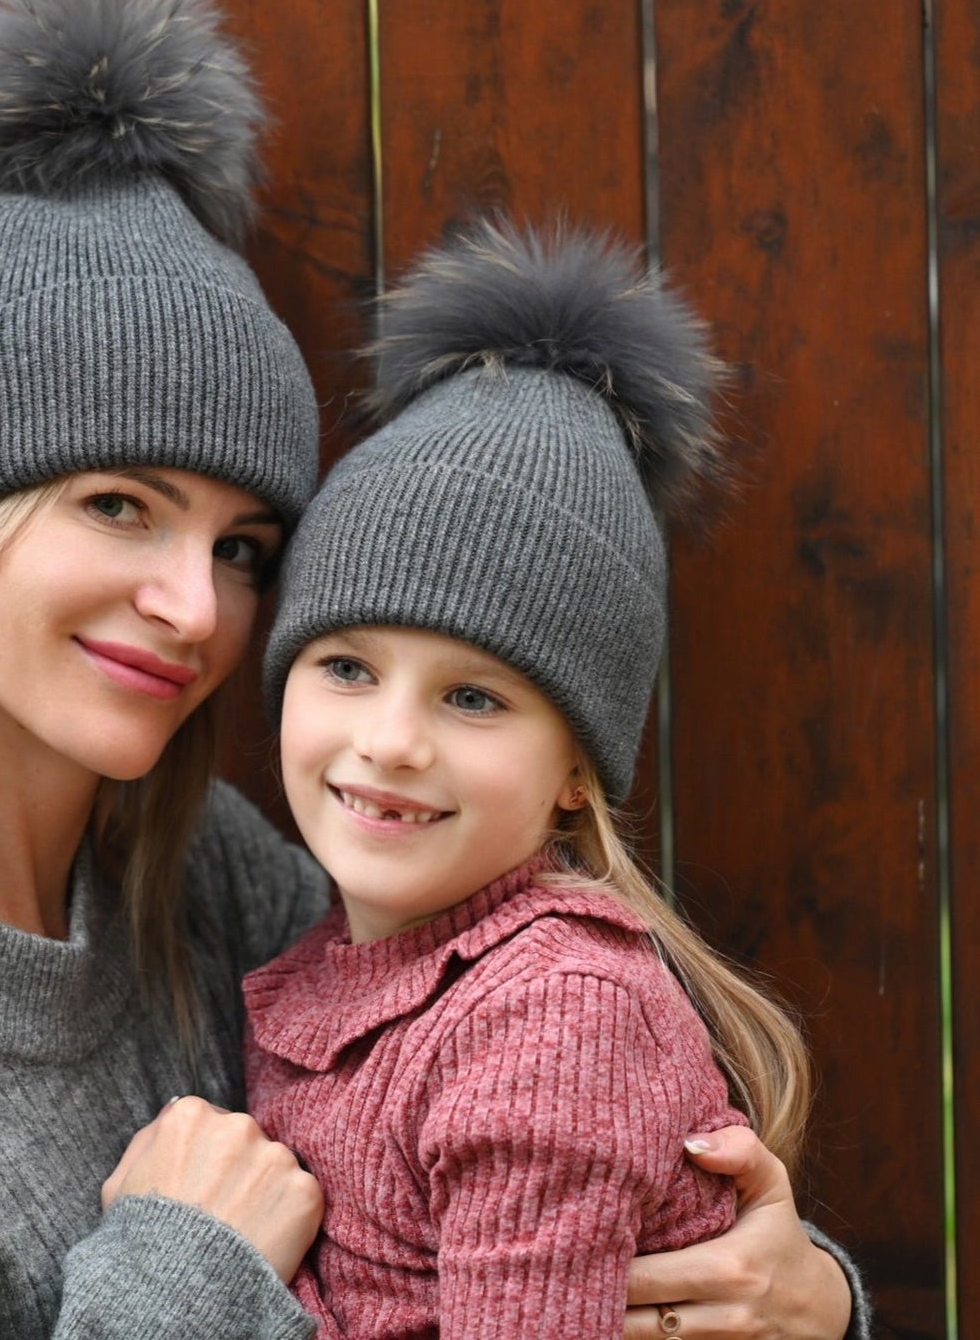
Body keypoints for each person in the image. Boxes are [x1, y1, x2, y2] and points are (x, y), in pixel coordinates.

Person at [0, 0, 866, 1339]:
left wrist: (800, 1297)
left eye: (243, 547)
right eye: (116, 505)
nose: (195, 606)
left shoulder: (199, 880)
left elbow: (537, 1161)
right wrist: (172, 1280)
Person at [246, 219, 873, 1339]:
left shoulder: (550, 1024)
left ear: (576, 767)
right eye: (345, 665)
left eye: (473, 696)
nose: (390, 739)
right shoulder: (339, 957)